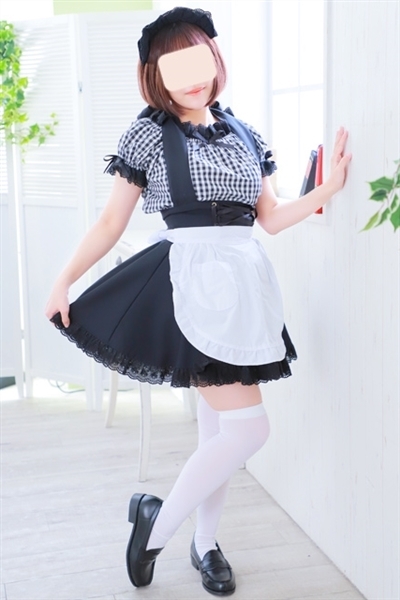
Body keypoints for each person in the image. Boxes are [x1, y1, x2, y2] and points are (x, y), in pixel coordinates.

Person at [45, 7, 352, 597]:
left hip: (245, 287)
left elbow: (269, 217)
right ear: (155, 75)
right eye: (175, 66)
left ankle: (205, 544)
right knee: (248, 429)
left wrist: (327, 189)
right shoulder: (147, 134)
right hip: (189, 283)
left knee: (220, 433)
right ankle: (155, 527)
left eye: (200, 60)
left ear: (215, 60)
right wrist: (64, 280)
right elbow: (111, 222)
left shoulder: (244, 133)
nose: (192, 78)